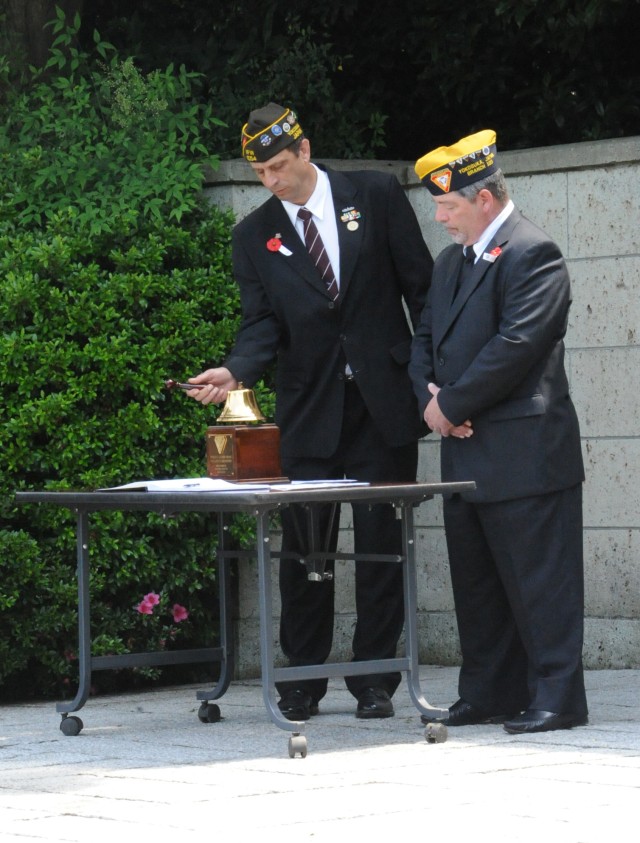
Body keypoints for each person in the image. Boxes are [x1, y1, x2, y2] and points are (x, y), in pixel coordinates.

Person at [186, 103, 434, 720]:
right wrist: (236, 370)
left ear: (304, 150)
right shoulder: (253, 235)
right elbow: (261, 324)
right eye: (259, 173)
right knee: (306, 553)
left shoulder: (373, 196)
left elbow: (422, 291)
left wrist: (433, 381)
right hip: (310, 409)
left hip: (384, 402)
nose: (270, 182)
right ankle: (301, 680)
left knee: (383, 545)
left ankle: (374, 680)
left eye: (277, 167)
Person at [409, 129, 588, 734]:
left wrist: (451, 404)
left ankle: (558, 697)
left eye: (448, 206)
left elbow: (517, 345)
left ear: (484, 199)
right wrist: (430, 401)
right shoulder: (450, 262)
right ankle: (489, 691)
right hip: (466, 451)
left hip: (525, 453)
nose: (440, 219)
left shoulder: (534, 252)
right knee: (478, 585)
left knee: (541, 584)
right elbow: (424, 340)